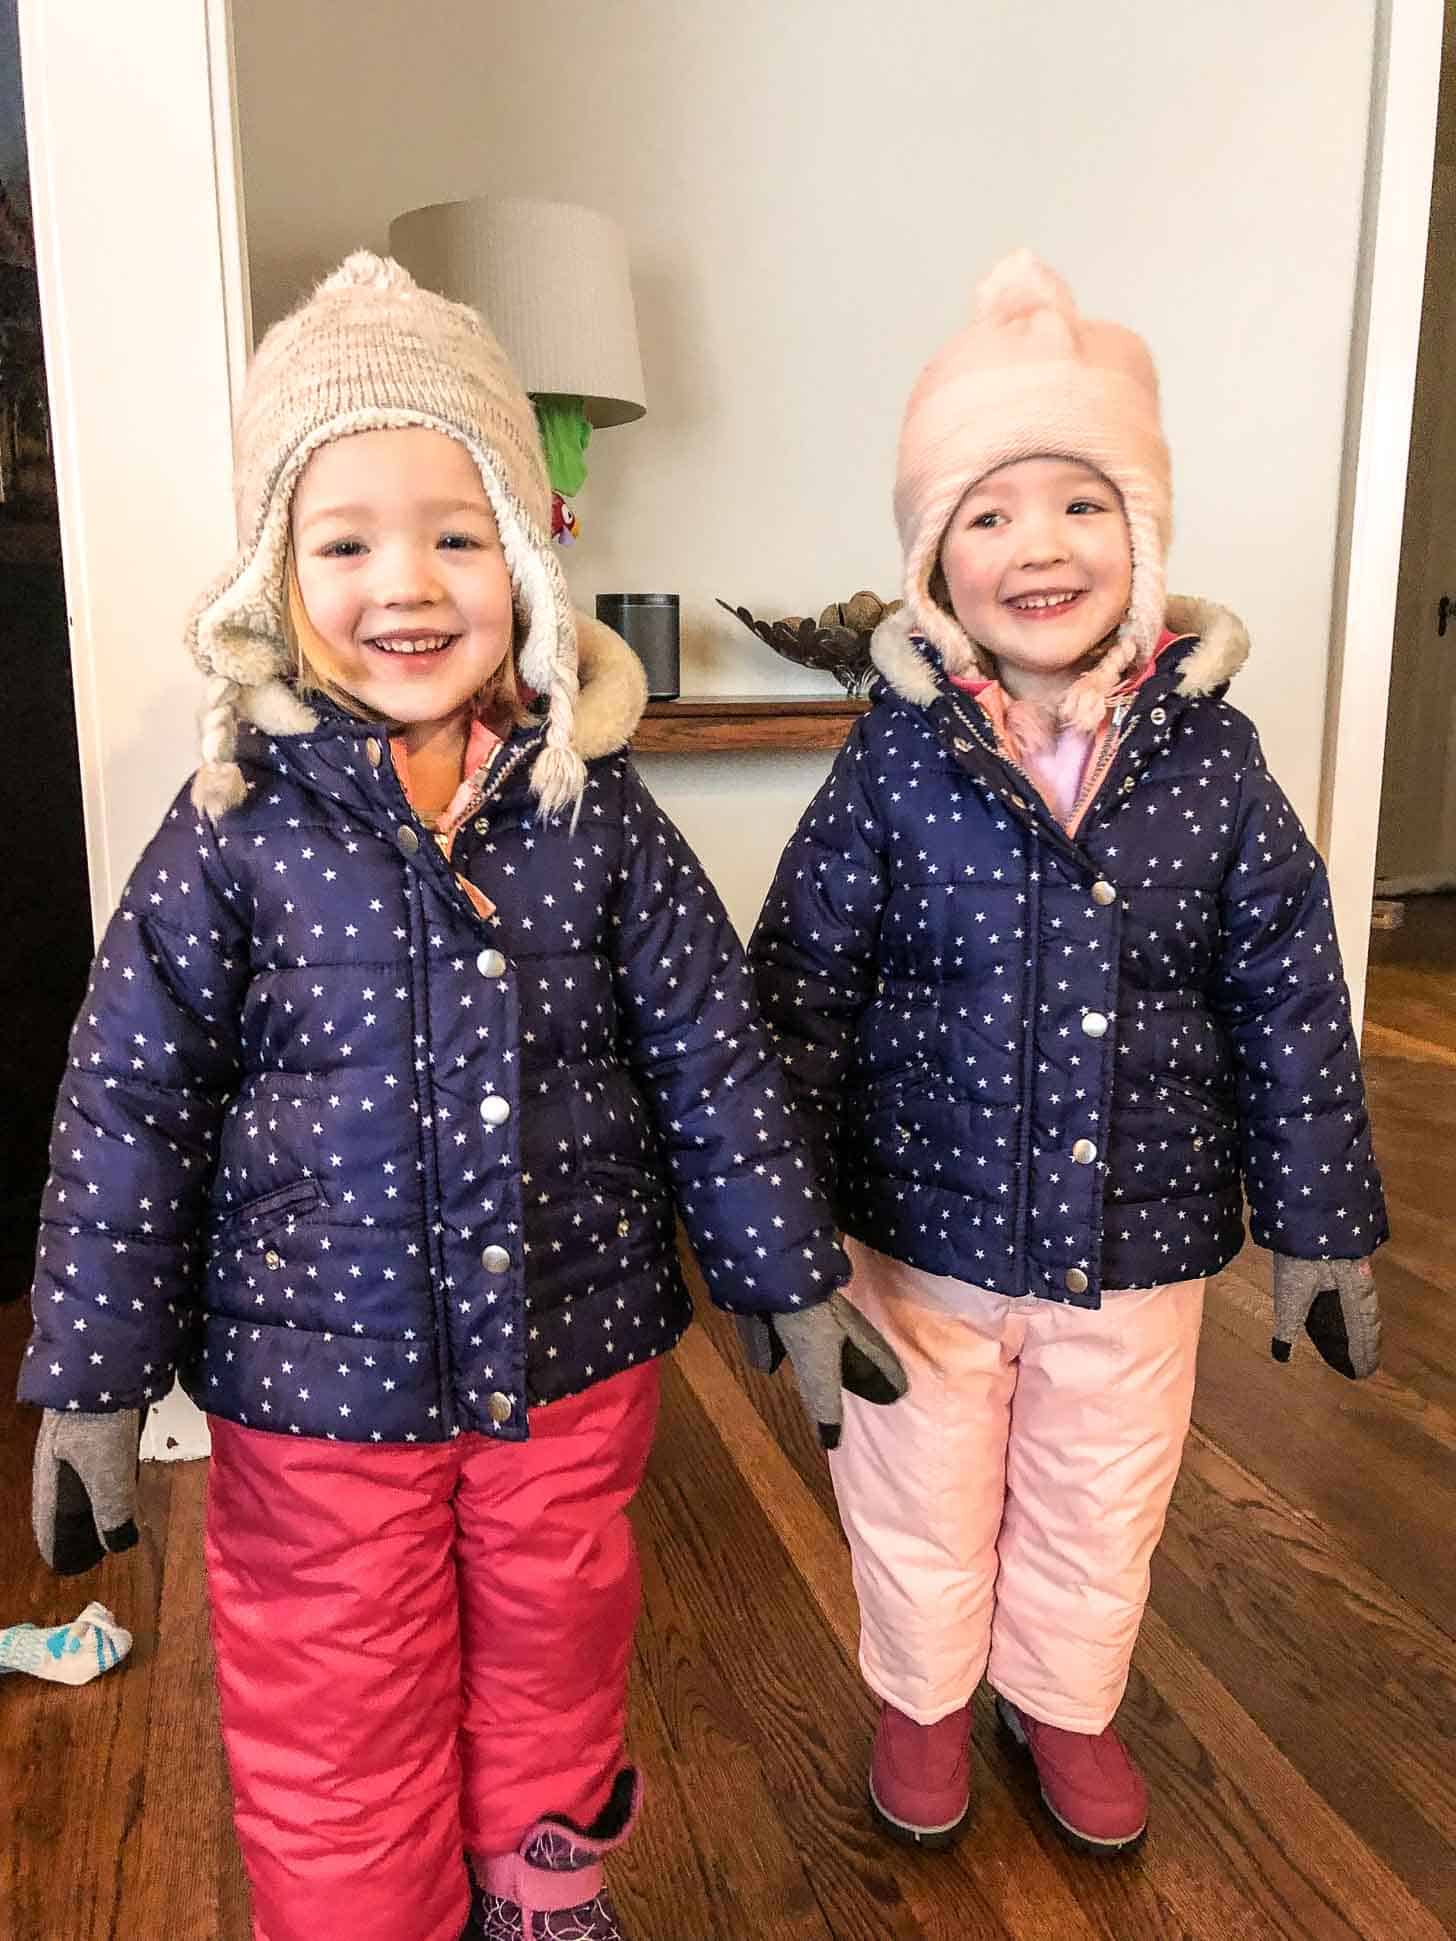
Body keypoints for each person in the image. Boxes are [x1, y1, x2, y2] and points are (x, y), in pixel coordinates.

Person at [20, 252, 904, 1941]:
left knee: (560, 1634)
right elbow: (126, 1106)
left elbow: (711, 1056)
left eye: (456, 531)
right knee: (334, 1691)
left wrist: (792, 1279)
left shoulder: (598, 821)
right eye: (345, 541)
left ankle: (542, 1885)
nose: (404, 584)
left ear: (526, 552)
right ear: (277, 582)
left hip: (567, 1363)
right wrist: (91, 1382)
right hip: (311, 1388)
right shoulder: (229, 837)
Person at [747, 250, 1386, 1857]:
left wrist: (1322, 1219)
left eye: (1082, 505)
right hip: (922, 1232)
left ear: (1145, 538)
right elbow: (801, 989)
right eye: (989, 513)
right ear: (931, 563)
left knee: (1105, 1486)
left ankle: (1066, 1695)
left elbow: (1290, 996)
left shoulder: (1218, 766)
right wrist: (776, 1240)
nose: (1039, 545)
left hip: (1141, 1234)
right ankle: (921, 1688)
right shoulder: (891, 763)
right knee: (918, 1479)